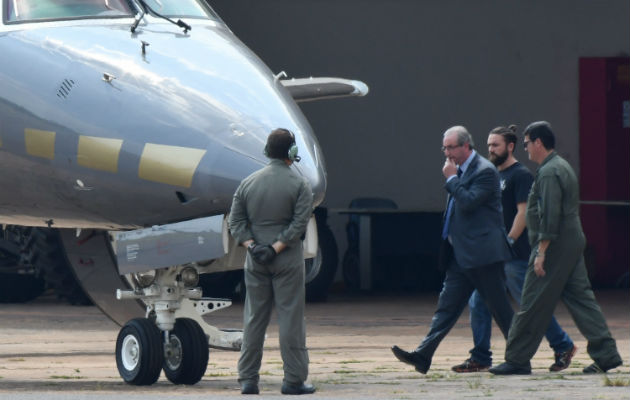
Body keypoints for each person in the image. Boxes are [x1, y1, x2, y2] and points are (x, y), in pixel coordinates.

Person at [490, 121, 623, 375]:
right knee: (582, 299)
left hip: (554, 244)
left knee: (531, 300)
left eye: (527, 143)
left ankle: (517, 359)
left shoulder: (550, 172)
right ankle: (606, 355)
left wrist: (541, 251)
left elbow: (549, 215)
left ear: (538, 142)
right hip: (571, 242)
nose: (526, 148)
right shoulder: (561, 166)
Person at [452, 125, 576, 373]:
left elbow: (523, 213)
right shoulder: (490, 174)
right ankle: (481, 356)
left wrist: (508, 241)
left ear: (510, 146)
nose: (490, 150)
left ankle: (563, 345)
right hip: (491, 255)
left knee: (528, 305)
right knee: (478, 302)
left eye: (495, 145)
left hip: (513, 254)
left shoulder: (520, 176)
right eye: (488, 145)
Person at [391, 126, 514, 374]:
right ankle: (423, 355)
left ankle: (519, 358)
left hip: (483, 255)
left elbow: (468, 202)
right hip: (460, 254)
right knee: (446, 308)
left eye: (451, 148)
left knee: (500, 309)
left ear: (466, 146)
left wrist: (451, 180)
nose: (447, 153)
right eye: (444, 148)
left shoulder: (484, 171)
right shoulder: (458, 170)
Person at [228, 128, 316, 395]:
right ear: (292, 153)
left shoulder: (248, 183)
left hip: (256, 259)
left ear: (267, 151)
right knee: (290, 318)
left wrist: (253, 246)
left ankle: (248, 379)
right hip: (286, 258)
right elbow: (300, 223)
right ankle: (293, 380)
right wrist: (276, 247)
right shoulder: (300, 184)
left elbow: (235, 222)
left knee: (254, 317)